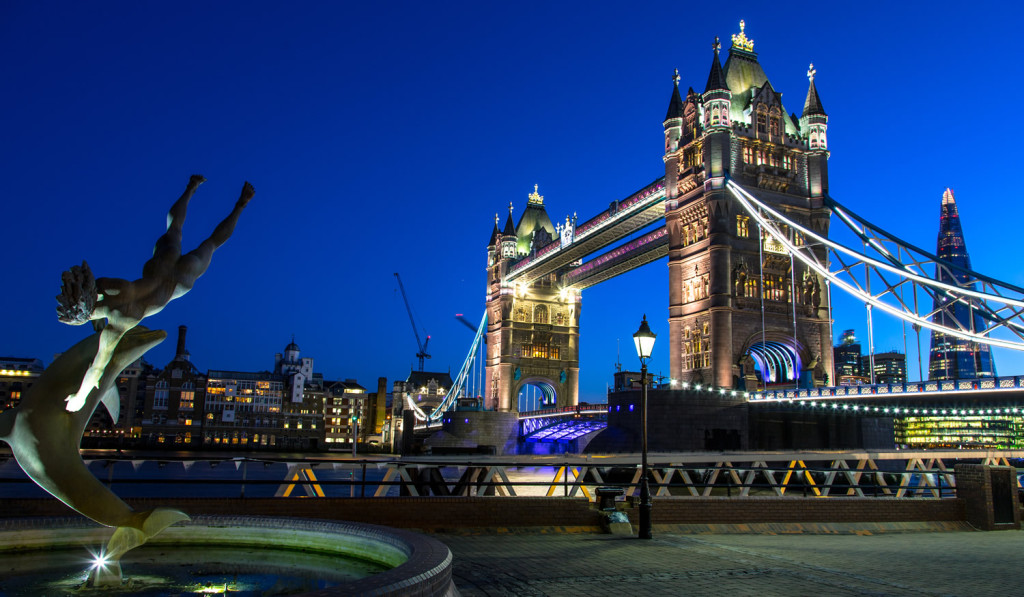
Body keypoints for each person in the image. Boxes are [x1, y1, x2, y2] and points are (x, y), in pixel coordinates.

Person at [56, 175, 254, 412]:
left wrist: (79, 398)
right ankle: (194, 189)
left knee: (211, 244)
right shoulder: (110, 286)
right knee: (177, 229)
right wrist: (94, 313)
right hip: (160, 265)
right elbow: (92, 291)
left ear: (86, 316)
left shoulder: (119, 323)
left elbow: (97, 368)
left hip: (177, 284)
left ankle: (240, 204)